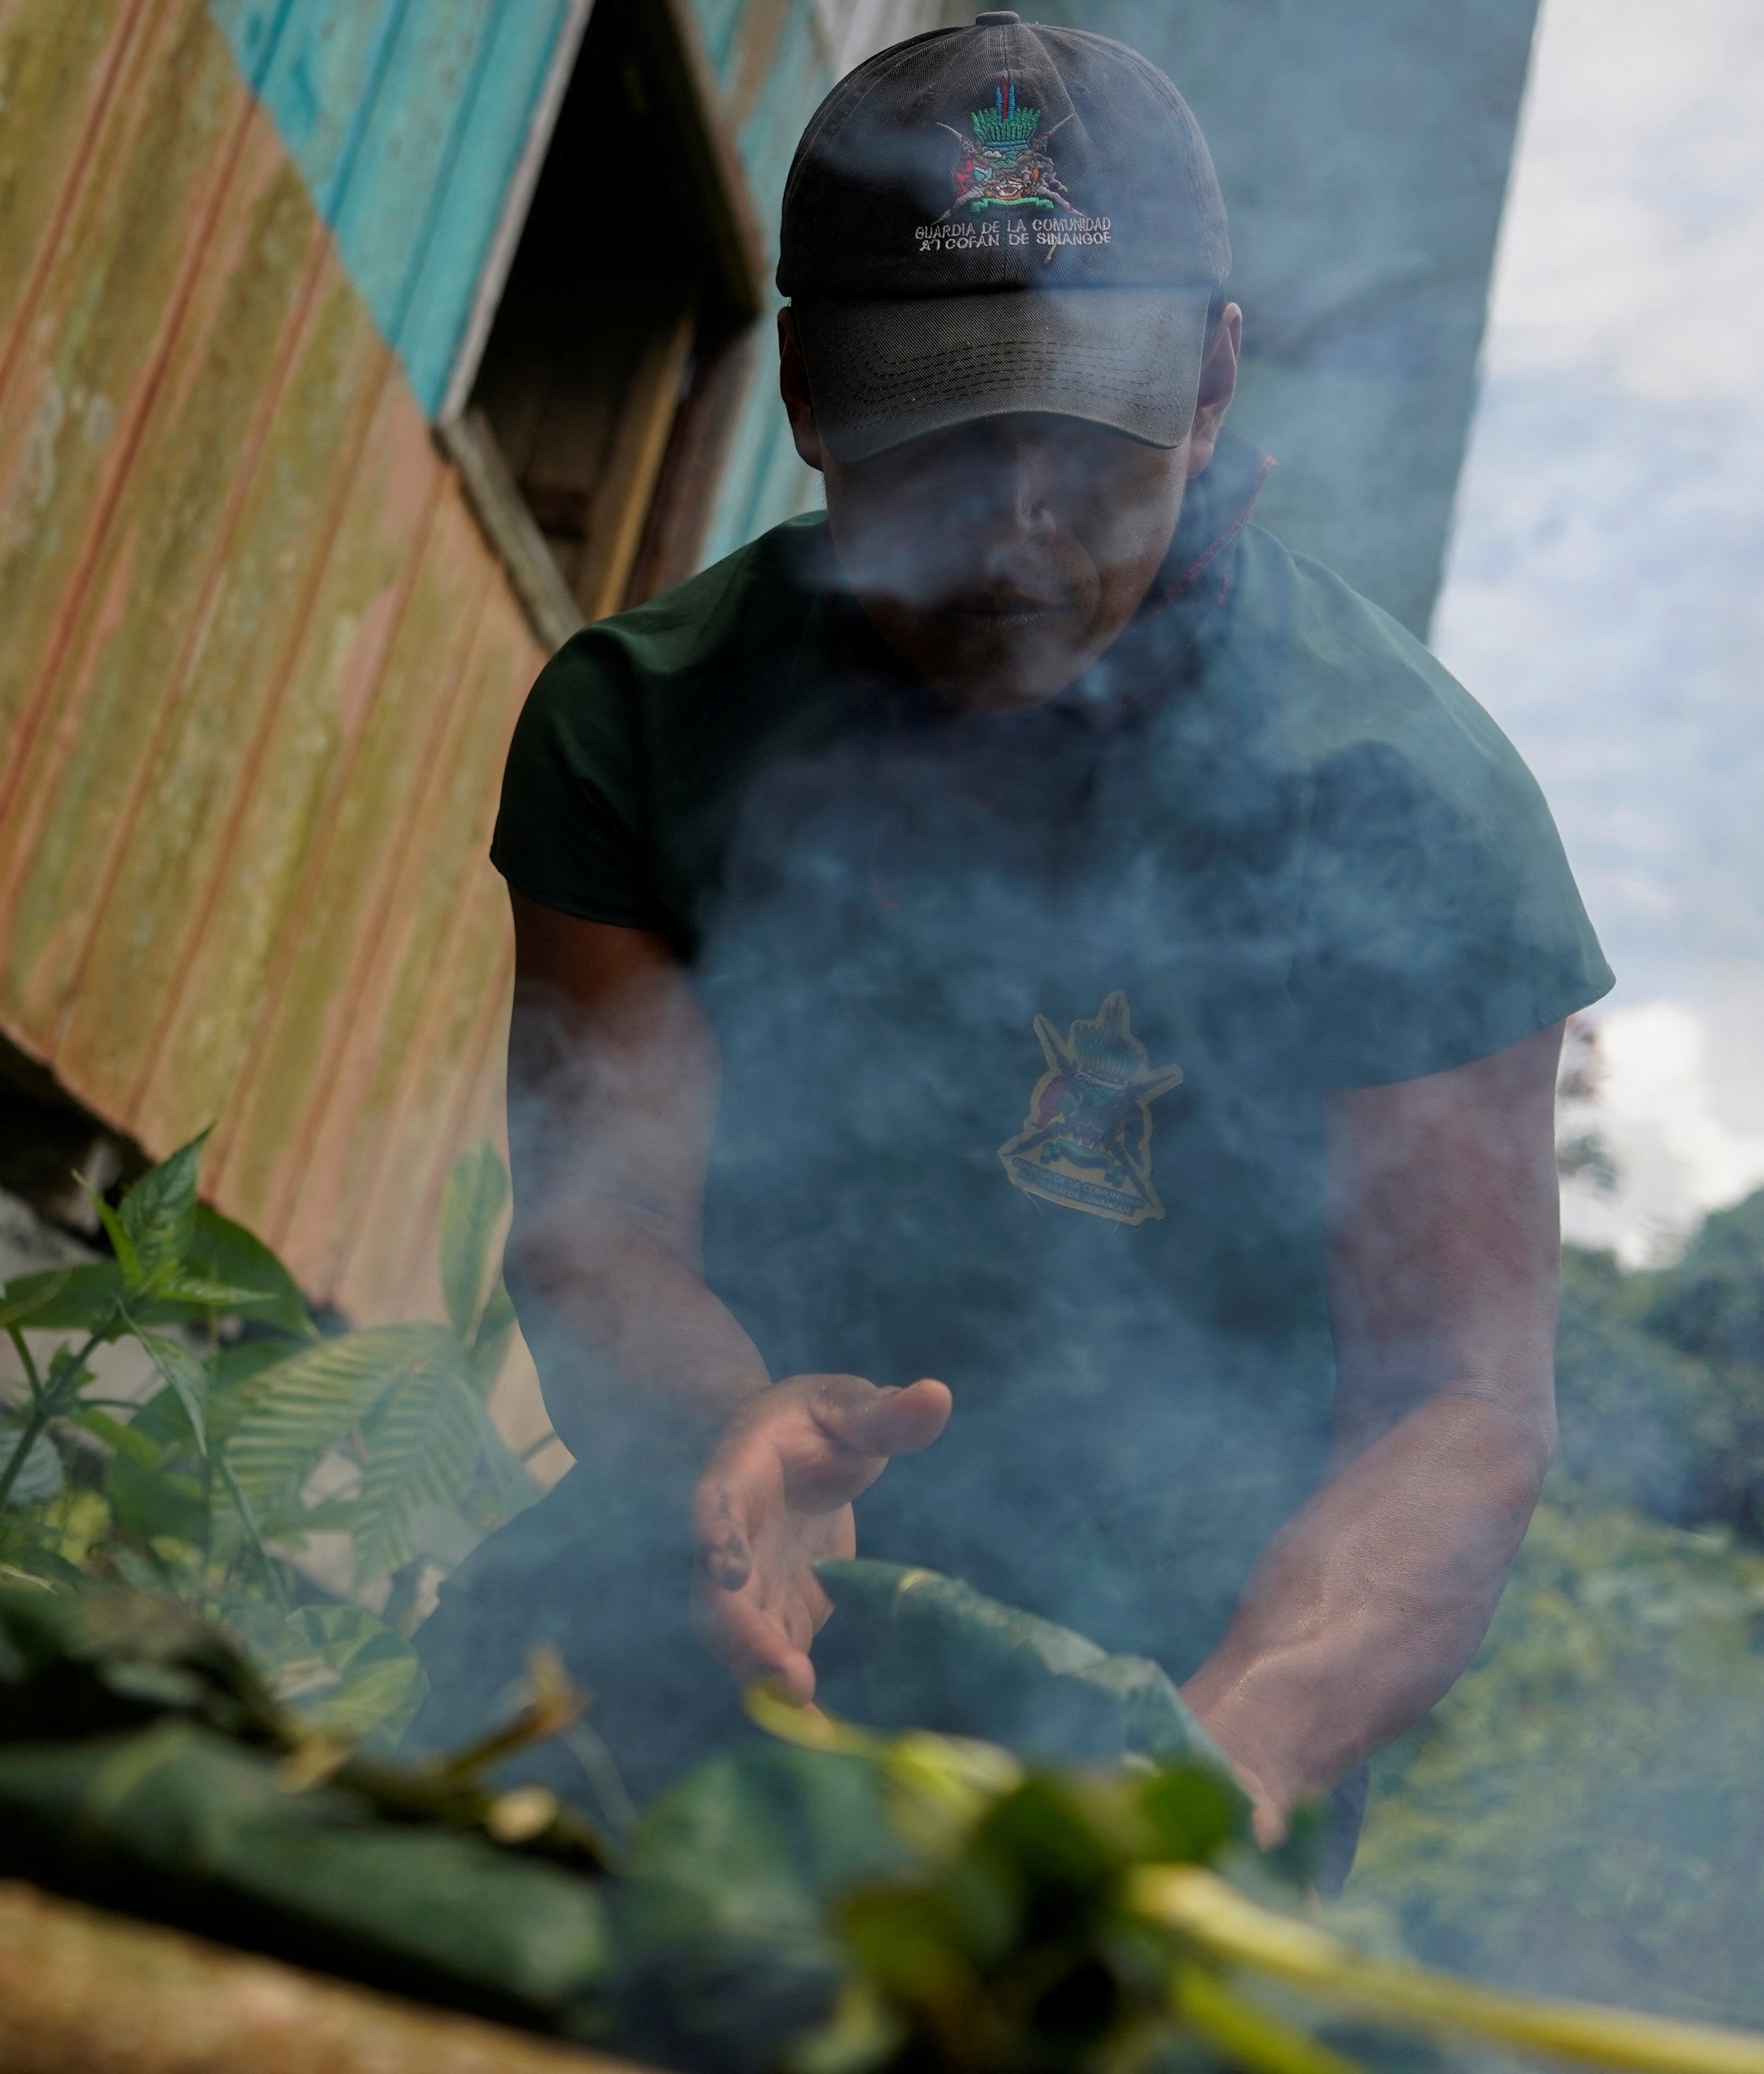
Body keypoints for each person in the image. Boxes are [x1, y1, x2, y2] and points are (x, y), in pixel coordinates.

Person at [406, 11, 1612, 1880]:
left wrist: (1221, 1760)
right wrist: (730, 1425)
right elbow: (603, 1228)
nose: (1023, 534)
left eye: (1093, 441)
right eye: (948, 444)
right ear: (809, 392)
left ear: (1211, 388)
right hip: (708, 1591)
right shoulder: (645, 722)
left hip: (1188, 1700)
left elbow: (1458, 1408)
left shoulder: (1406, 811)